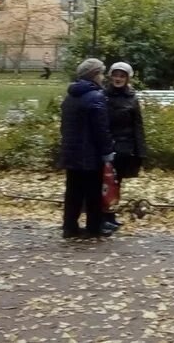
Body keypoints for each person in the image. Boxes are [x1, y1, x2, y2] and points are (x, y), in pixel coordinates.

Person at [58, 58, 114, 239]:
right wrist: (107, 152)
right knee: (93, 192)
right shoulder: (96, 97)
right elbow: (101, 129)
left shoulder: (70, 97)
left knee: (73, 191)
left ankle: (69, 226)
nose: (103, 77)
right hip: (90, 154)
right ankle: (93, 227)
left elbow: (64, 126)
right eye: (101, 73)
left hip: (71, 152)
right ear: (94, 75)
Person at [102, 61, 147, 231]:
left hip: (125, 146)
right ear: (110, 76)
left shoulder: (132, 98)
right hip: (108, 145)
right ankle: (103, 216)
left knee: (117, 182)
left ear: (127, 78)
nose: (118, 79)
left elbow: (138, 125)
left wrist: (140, 150)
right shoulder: (104, 96)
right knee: (106, 182)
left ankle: (111, 215)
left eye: (122, 76)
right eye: (115, 75)